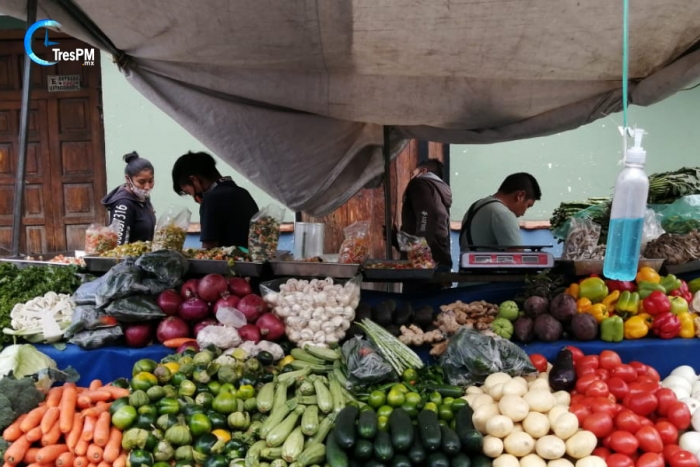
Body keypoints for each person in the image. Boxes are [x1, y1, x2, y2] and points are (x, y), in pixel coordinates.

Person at [172, 151, 259, 249]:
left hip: (229, 263)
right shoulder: (243, 193)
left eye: (188, 192)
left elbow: (209, 249)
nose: (195, 199)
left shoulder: (211, 200)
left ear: (194, 180)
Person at [459, 172, 541, 251]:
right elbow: (517, 257)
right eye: (528, 206)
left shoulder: (476, 206)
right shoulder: (503, 214)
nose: (523, 213)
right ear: (520, 196)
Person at [399, 159, 453, 270]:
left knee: (417, 288)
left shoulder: (419, 183)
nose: (412, 176)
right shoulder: (438, 190)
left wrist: (418, 251)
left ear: (423, 171)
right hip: (440, 256)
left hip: (424, 264)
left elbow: (427, 215)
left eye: (413, 173)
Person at [101, 152, 156, 245]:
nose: (147, 187)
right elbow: (118, 244)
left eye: (151, 181)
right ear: (128, 179)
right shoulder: (123, 204)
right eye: (141, 182)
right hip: (130, 259)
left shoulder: (143, 198)